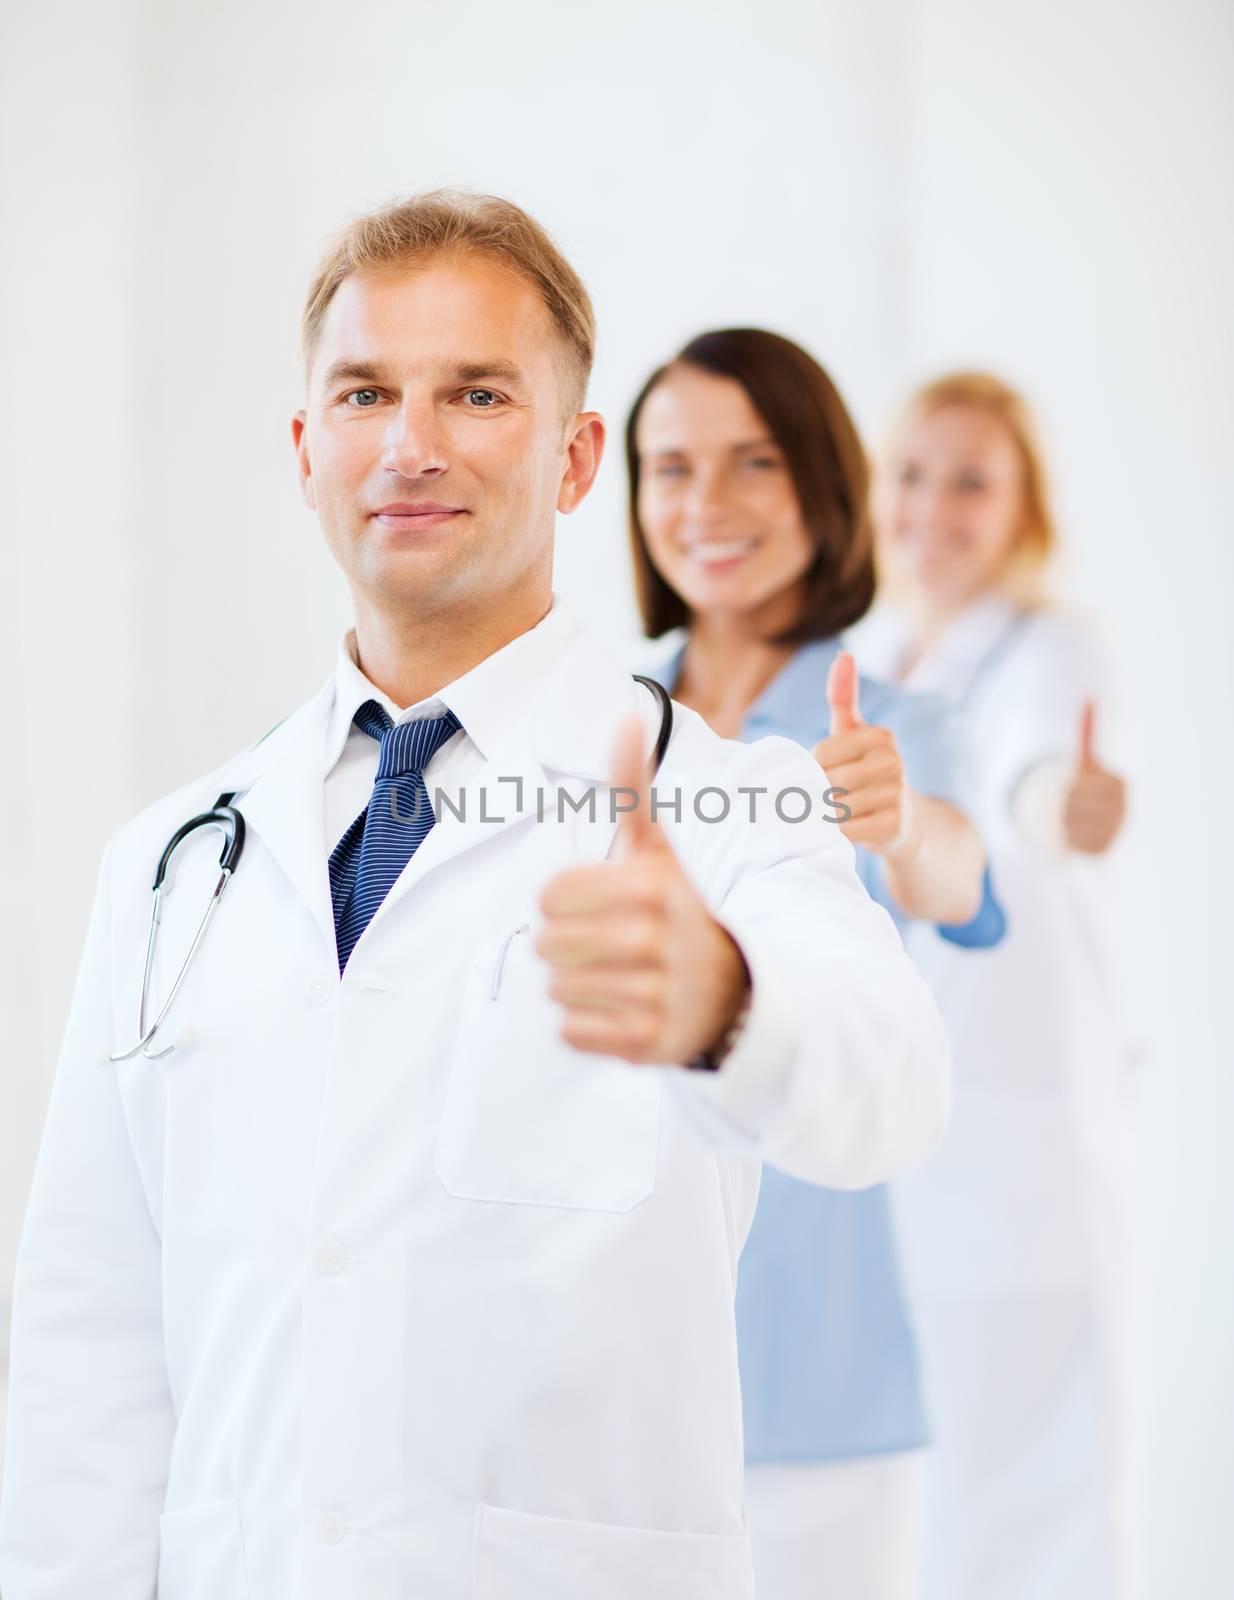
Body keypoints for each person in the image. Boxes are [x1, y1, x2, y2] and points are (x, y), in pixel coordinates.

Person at [0, 193, 950, 1600]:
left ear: (575, 461)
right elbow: (90, 1344)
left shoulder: (723, 798)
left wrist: (726, 1002)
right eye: (366, 391)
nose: (412, 445)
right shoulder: (166, 862)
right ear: (305, 448)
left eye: (478, 393)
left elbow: (893, 1085)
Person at [626, 327, 1004, 1600]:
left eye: (754, 463)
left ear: (823, 489)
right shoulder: (596, 718)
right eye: (669, 467)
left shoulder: (888, 722)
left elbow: (957, 881)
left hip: (811, 1352)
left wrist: (895, 818)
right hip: (610, 1337)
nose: (707, 505)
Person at [855, 371, 1133, 1600]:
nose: (934, 506)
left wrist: (1059, 806)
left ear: (1022, 509)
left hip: (1014, 1110)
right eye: (915, 471)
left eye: (974, 480)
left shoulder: (1045, 641)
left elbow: (1031, 771)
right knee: (935, 1477)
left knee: (1035, 1469)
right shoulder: (865, 654)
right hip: (912, 1106)